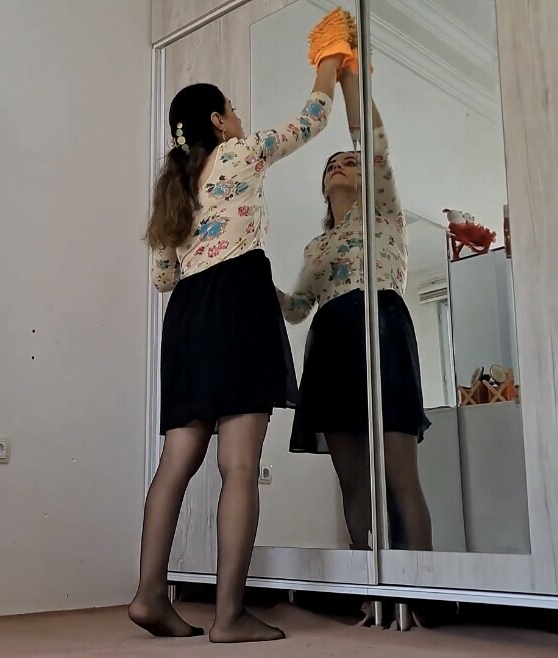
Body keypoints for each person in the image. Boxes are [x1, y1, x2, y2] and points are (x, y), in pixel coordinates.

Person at [128, 58, 341, 644]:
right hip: (237, 305)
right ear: (219, 122)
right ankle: (229, 617)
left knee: (176, 461)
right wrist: (328, 66)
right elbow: (311, 120)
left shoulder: (172, 190)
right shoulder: (240, 154)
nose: (240, 120)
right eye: (234, 111)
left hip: (187, 318)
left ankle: (148, 595)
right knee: (239, 465)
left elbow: (164, 278)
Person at [278, 65, 434, 552]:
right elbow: (297, 308)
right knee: (352, 481)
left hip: (382, 330)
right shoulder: (316, 247)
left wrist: (348, 77)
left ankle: (421, 582)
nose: (339, 165)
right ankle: (366, 576)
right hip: (332, 343)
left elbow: (375, 143)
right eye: (331, 164)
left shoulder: (385, 216)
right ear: (323, 187)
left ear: (368, 178)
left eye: (350, 161)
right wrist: (256, 278)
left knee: (399, 474)